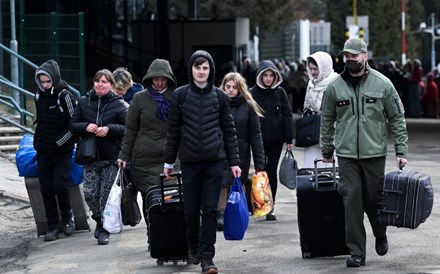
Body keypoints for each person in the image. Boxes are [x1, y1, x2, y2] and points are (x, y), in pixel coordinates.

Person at [320, 38, 409, 267]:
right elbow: (327, 119)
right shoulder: (335, 87)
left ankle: (380, 233)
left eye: (354, 55)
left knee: (374, 202)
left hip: (374, 155)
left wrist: (401, 150)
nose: (350, 59)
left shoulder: (383, 84)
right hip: (347, 156)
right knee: (352, 204)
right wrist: (327, 148)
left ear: (365, 56)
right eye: (347, 56)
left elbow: (397, 118)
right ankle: (357, 252)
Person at [163, 50, 241, 274]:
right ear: (191, 69)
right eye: (197, 67)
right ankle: (193, 245)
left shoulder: (220, 96)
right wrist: (169, 162)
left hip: (214, 162)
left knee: (209, 210)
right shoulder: (180, 95)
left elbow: (229, 131)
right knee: (190, 210)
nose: (201, 71)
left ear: (211, 70)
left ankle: (208, 257)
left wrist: (234, 162)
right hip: (189, 163)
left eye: (205, 67)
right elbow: (173, 131)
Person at [69, 69, 128, 245]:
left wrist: (110, 129)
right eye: (97, 81)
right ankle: (98, 218)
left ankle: (104, 228)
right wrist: (85, 126)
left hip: (111, 157)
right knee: (90, 194)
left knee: (105, 196)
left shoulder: (119, 104)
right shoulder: (84, 101)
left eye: (104, 81)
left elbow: (128, 128)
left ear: (111, 85)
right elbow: (72, 125)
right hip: (90, 156)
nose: (100, 84)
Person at [117, 58, 177, 226]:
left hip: (172, 157)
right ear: (150, 78)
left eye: (163, 79)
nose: (159, 83)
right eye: (155, 79)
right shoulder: (139, 98)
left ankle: (172, 234)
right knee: (150, 198)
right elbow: (130, 129)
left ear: (169, 79)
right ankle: (153, 233)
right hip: (144, 159)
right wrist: (124, 155)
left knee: (173, 197)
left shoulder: (177, 97)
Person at [34, 59, 78, 241]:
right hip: (43, 151)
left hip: (62, 152)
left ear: (54, 79)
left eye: (48, 81)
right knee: (45, 188)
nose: (45, 85)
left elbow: (74, 124)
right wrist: (39, 141)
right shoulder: (38, 95)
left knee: (59, 185)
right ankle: (52, 225)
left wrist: (60, 142)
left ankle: (68, 217)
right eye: (42, 82)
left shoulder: (64, 95)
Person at [216, 72, 265, 230]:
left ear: (240, 89)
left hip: (242, 151)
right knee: (222, 182)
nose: (230, 90)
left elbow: (255, 135)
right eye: (227, 87)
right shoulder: (217, 103)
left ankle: (238, 212)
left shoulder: (248, 106)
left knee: (238, 182)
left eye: (234, 87)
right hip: (220, 150)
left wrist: (259, 163)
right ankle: (221, 214)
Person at [250, 60, 294, 221]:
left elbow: (287, 114)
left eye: (271, 75)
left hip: (276, 139)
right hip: (258, 140)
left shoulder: (280, 92)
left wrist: (289, 137)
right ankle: (260, 204)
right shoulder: (252, 92)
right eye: (265, 75)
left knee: (271, 172)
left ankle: (271, 207)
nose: (268, 79)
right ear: (260, 76)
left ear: (276, 77)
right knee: (260, 172)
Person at [302, 51, 339, 168]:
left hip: (331, 133)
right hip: (312, 134)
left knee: (331, 172)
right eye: (311, 69)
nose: (313, 72)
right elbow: (306, 105)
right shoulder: (311, 83)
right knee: (312, 169)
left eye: (316, 69)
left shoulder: (336, 83)